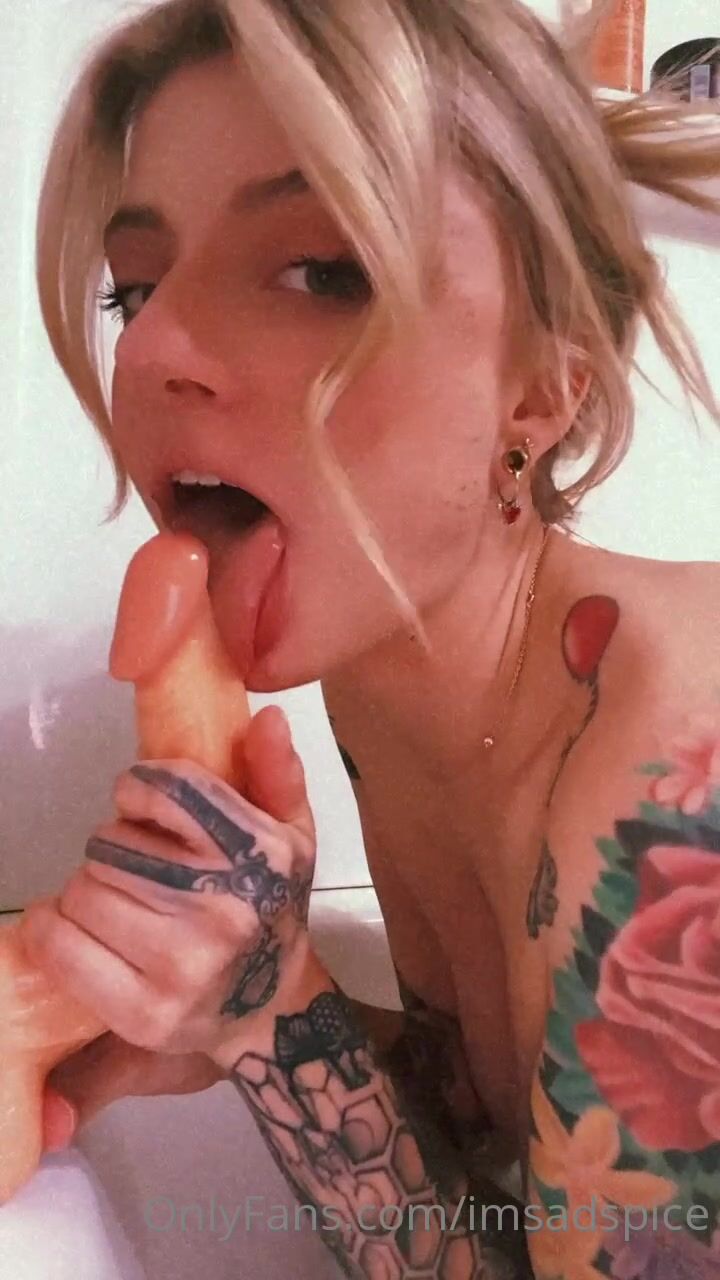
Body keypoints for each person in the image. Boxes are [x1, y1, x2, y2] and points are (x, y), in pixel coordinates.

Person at [20, 0, 720, 1275]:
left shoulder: (678, 752)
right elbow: (492, 1121)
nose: (155, 347)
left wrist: (272, 1009)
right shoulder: (388, 680)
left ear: (544, 387)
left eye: (317, 271)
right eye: (138, 285)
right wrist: (242, 1018)